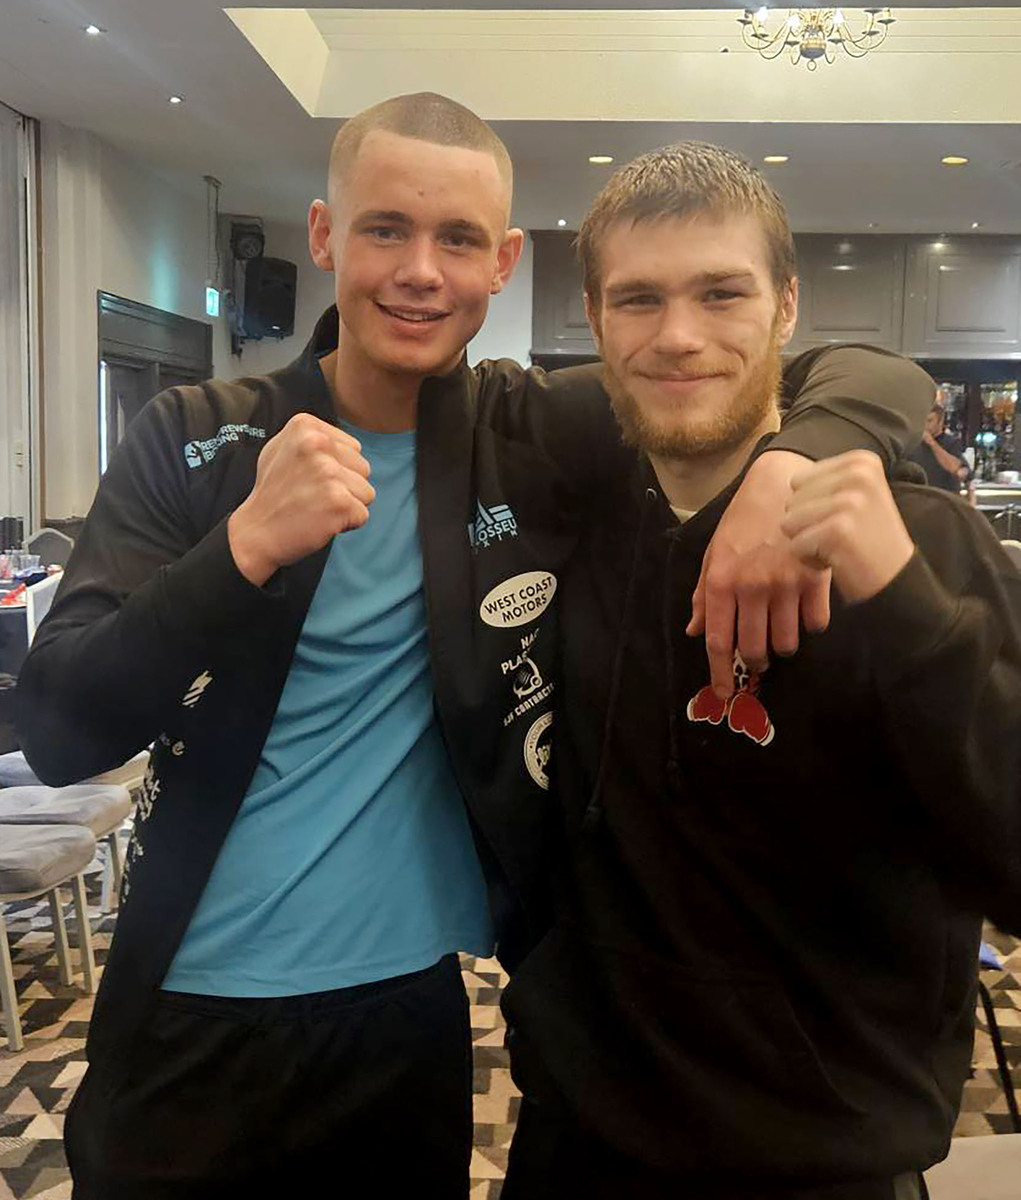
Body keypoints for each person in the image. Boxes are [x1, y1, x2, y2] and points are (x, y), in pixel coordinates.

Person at [16, 96, 931, 1198]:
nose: (420, 272)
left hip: (409, 1019)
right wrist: (244, 548)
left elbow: (862, 373)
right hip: (189, 1011)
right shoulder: (194, 434)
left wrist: (795, 462)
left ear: (501, 262)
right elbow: (62, 728)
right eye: (385, 229)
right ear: (323, 236)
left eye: (457, 240)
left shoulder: (530, 430)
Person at [501, 142, 1021, 1200]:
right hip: (576, 1146)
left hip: (827, 1161)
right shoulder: (570, 523)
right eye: (638, 299)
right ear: (594, 321)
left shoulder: (922, 544)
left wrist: (904, 603)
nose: (678, 336)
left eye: (720, 294)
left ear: (787, 308)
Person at [908, 397, 970, 492]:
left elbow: (955, 468)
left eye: (929, 421)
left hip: (945, 498)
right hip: (920, 497)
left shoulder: (952, 442)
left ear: (940, 422)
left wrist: (932, 443)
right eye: (922, 421)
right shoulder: (913, 444)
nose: (925, 425)